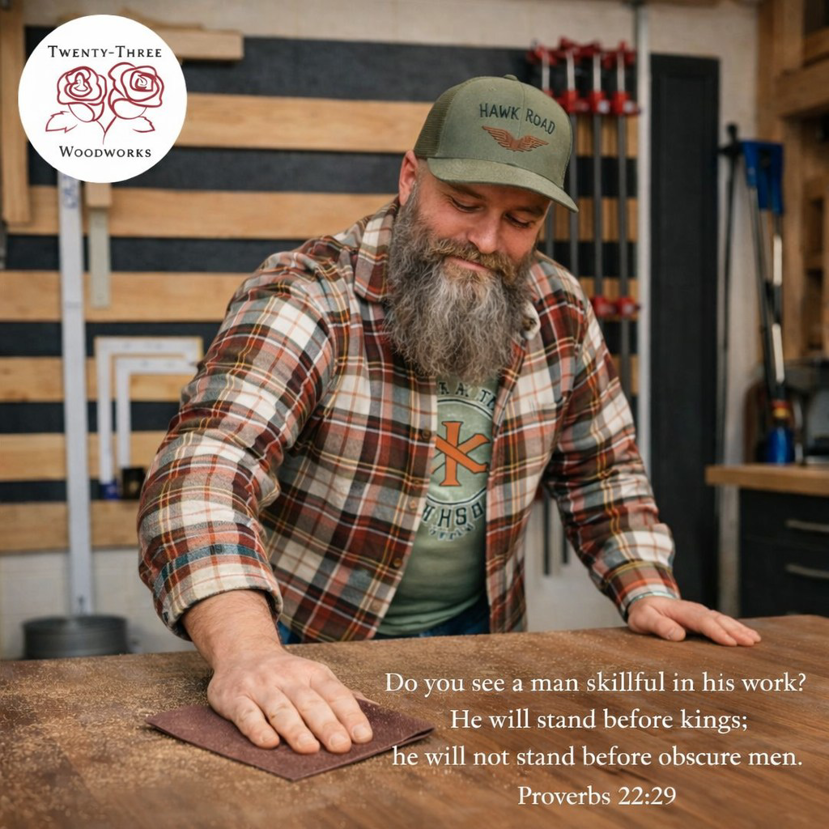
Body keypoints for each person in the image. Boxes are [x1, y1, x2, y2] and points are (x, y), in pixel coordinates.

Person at [138, 75, 759, 757]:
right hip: (303, 643)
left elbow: (601, 474)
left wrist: (644, 584)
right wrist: (248, 652)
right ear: (409, 178)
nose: (485, 240)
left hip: (479, 637)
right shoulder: (309, 295)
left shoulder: (559, 310)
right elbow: (201, 473)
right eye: (463, 203)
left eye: (520, 220)